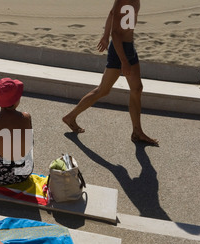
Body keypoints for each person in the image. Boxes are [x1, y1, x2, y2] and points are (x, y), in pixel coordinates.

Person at [62, 0, 158, 146]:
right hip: (121, 50)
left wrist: (105, 36)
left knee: (137, 88)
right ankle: (70, 117)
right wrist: (124, 60)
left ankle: (137, 131)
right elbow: (117, 33)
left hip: (128, 47)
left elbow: (112, 13)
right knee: (103, 90)